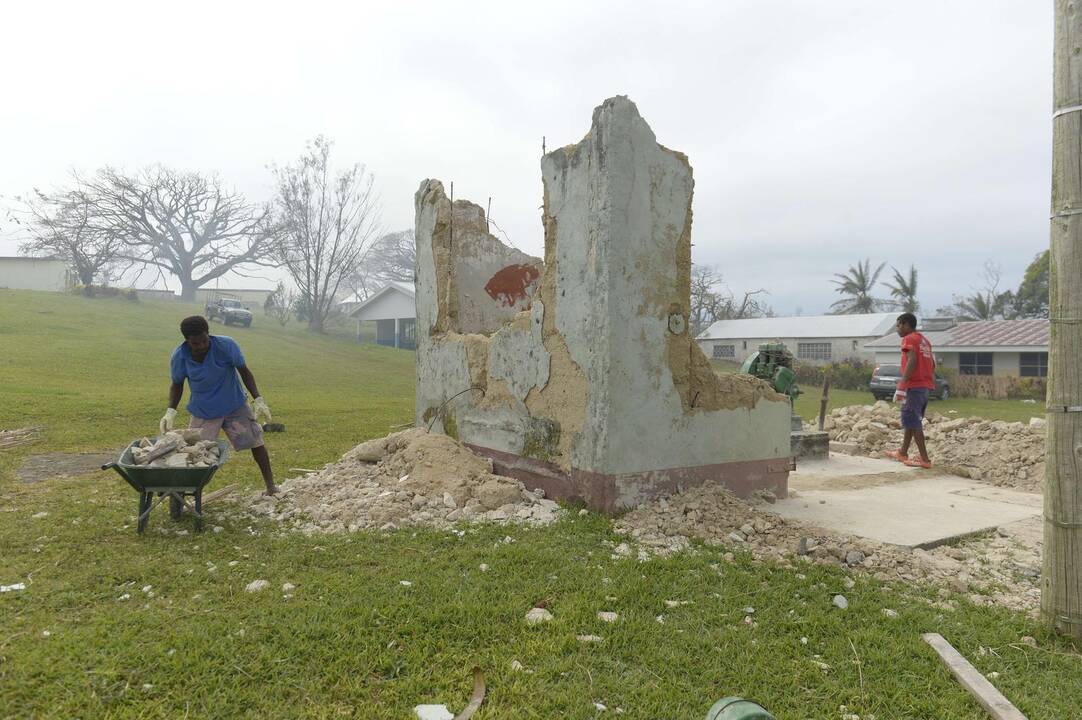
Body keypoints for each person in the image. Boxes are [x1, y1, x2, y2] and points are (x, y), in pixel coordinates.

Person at [160, 315, 279, 495]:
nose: (201, 346)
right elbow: (177, 384)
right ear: (187, 341)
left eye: (204, 341)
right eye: (195, 344)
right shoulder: (180, 357)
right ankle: (185, 494)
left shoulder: (226, 346)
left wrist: (258, 399)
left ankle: (271, 486)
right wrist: (170, 411)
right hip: (204, 410)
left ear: (209, 334)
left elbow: (244, 371)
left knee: (256, 442)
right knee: (194, 453)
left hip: (234, 404)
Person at [886, 312, 935, 468]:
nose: (897, 329)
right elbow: (932, 364)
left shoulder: (909, 339)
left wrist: (903, 384)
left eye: (898, 325)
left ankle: (925, 460)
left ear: (906, 324)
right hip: (924, 386)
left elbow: (912, 359)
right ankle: (903, 452)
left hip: (914, 387)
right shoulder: (925, 341)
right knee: (911, 419)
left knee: (913, 422)